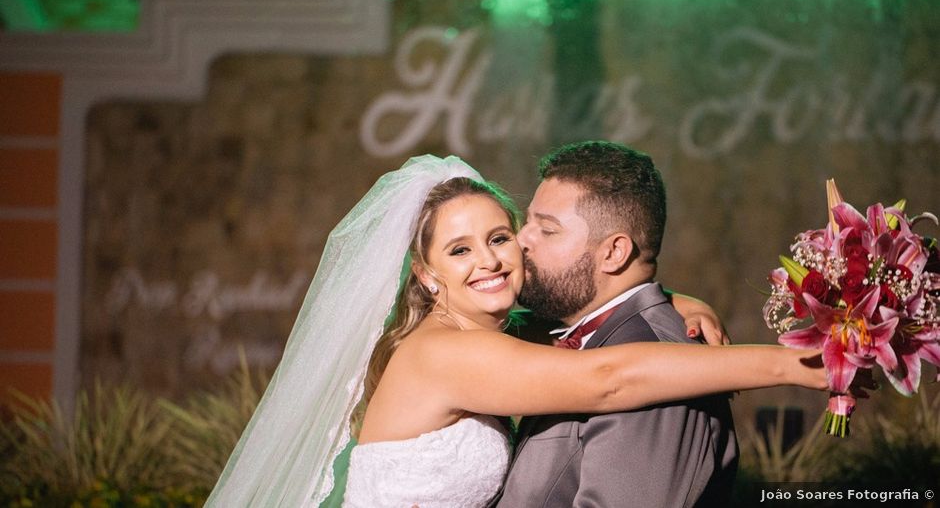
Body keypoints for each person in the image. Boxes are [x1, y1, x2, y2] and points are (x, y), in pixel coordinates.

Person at [205, 155, 830, 508]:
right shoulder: (443, 356)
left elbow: (592, 323)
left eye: (501, 237)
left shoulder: (506, 336)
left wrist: (673, 299)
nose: (493, 259)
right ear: (426, 276)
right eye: (459, 250)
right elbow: (609, 378)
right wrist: (793, 363)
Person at [495, 140, 735, 507]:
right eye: (528, 222)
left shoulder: (658, 371)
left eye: (547, 229)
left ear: (613, 252)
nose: (521, 240)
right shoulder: (595, 334)